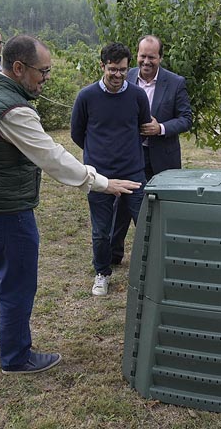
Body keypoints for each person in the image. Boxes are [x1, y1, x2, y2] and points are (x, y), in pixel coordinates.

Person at [0, 35, 141, 374]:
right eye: (43, 72)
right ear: (19, 68)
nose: (47, 78)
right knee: (17, 281)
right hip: (5, 210)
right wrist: (102, 182)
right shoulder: (14, 111)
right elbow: (52, 157)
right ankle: (16, 357)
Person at [71, 43, 151, 296]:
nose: (118, 75)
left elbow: (141, 125)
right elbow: (77, 133)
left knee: (146, 224)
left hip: (133, 173)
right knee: (101, 230)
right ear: (102, 66)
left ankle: (150, 272)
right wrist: (99, 155)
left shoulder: (138, 96)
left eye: (123, 70)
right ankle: (103, 273)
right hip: (98, 175)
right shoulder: (87, 97)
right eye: (113, 70)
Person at [110, 35, 193, 266]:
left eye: (152, 57)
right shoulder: (124, 77)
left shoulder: (175, 82)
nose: (146, 61)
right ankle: (113, 255)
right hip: (129, 156)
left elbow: (186, 119)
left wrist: (161, 128)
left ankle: (163, 257)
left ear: (161, 57)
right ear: (137, 55)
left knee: (163, 208)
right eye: (142, 56)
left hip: (162, 158)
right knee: (121, 206)